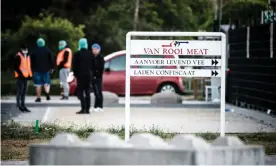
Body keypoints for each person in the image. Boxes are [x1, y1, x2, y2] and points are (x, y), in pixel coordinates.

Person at [72, 38, 95, 114]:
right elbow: (93, 66)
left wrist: (75, 75)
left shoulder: (77, 54)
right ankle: (88, 109)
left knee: (80, 92)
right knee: (87, 91)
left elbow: (74, 66)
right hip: (88, 75)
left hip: (80, 75)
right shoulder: (90, 54)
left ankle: (83, 108)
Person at [31, 38, 54, 102]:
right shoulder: (47, 50)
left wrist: (32, 69)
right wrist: (52, 68)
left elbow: (31, 61)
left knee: (38, 84)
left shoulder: (34, 51)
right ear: (44, 43)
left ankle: (38, 98)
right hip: (46, 70)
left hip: (37, 70)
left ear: (37, 43)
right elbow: (51, 60)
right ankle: (47, 93)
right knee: (46, 82)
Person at [14, 44, 32, 112]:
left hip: (26, 77)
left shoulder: (27, 56)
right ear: (21, 49)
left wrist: (30, 75)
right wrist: (20, 75)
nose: (25, 51)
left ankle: (23, 105)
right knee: (20, 91)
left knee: (24, 92)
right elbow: (16, 67)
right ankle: (19, 105)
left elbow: (28, 67)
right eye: (24, 49)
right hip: (20, 77)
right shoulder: (18, 56)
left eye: (26, 49)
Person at [91, 43, 104, 112]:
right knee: (95, 92)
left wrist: (97, 75)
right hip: (93, 77)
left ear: (99, 50)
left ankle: (100, 106)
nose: (94, 51)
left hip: (98, 77)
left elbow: (101, 69)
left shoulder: (101, 58)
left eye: (96, 49)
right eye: (93, 49)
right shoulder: (92, 57)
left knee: (99, 91)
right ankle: (96, 106)